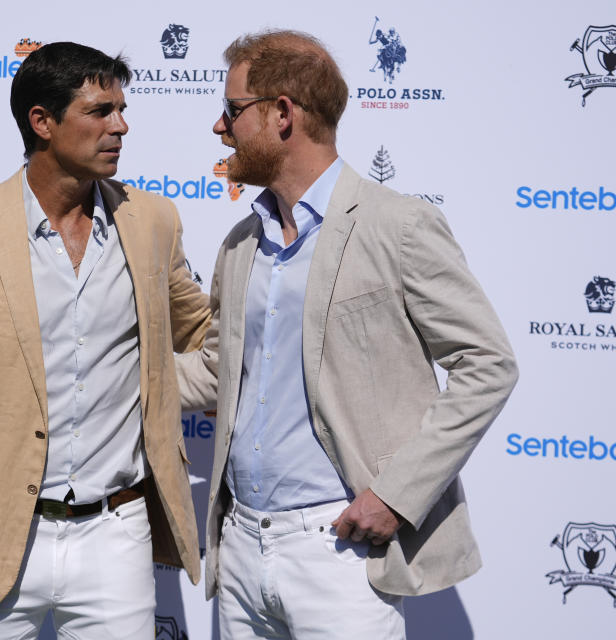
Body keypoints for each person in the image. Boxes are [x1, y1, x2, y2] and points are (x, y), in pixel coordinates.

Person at [178, 30, 518, 638]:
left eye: (232, 110)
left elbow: (488, 363)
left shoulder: (399, 226)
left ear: (282, 113)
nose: (218, 127)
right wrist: (109, 370)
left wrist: (395, 496)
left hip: (339, 554)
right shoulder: (239, 244)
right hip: (239, 548)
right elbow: (215, 371)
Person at [0, 41, 210, 639]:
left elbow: (210, 340)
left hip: (117, 533)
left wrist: (159, 384)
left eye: (122, 108)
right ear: (42, 121)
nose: (121, 125)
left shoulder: (154, 221)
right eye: (100, 111)